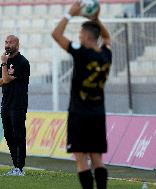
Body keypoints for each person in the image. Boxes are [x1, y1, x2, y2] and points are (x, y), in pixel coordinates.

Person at [52, 2, 112, 189]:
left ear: (86, 36)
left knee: (81, 160)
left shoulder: (80, 53)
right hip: (97, 113)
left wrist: (70, 14)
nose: (79, 36)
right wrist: (95, 19)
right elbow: (107, 37)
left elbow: (56, 35)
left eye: (80, 34)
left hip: (79, 113)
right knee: (97, 160)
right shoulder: (106, 55)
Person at [0, 35, 30, 176]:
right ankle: (15, 166)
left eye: (10, 42)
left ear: (17, 45)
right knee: (8, 135)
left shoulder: (22, 62)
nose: (7, 45)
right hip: (6, 104)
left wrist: (4, 66)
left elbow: (5, 79)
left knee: (19, 135)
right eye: (6, 42)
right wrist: (5, 75)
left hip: (18, 104)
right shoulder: (7, 61)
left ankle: (20, 168)